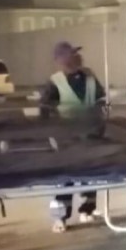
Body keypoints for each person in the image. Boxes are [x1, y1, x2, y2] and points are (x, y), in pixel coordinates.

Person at [39, 41, 108, 233]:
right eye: (71, 54)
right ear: (60, 60)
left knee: (90, 176)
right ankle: (60, 218)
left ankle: (87, 210)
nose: (77, 57)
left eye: (76, 54)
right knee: (64, 179)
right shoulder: (54, 82)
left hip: (90, 135)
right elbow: (45, 111)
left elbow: (101, 100)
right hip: (66, 140)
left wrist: (100, 121)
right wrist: (51, 135)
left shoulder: (90, 77)